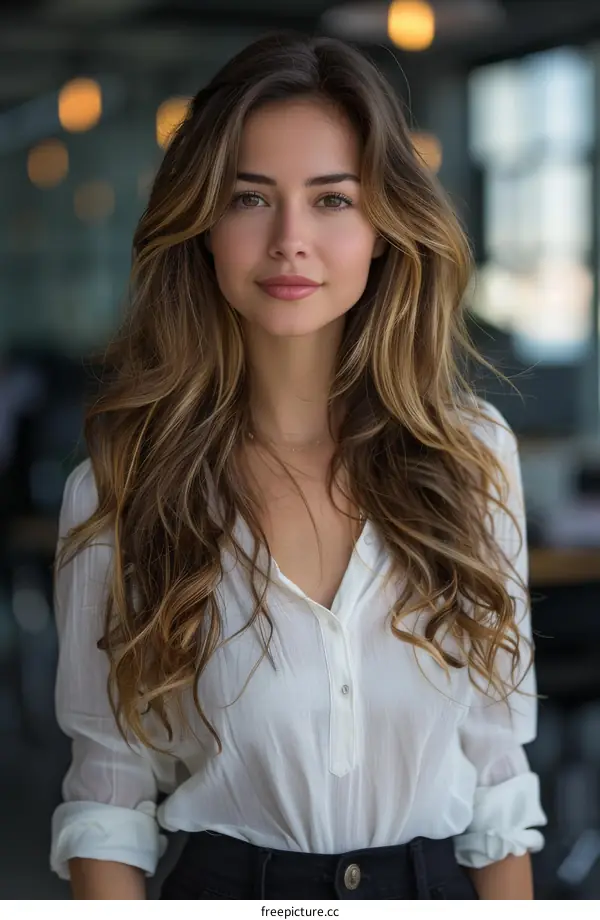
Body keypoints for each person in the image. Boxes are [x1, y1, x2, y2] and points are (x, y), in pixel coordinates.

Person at [49, 32, 547, 900]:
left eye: (331, 201)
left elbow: (498, 780)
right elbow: (108, 796)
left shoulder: (472, 459)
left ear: (385, 228)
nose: (289, 240)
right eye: (250, 198)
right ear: (202, 226)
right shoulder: (122, 491)